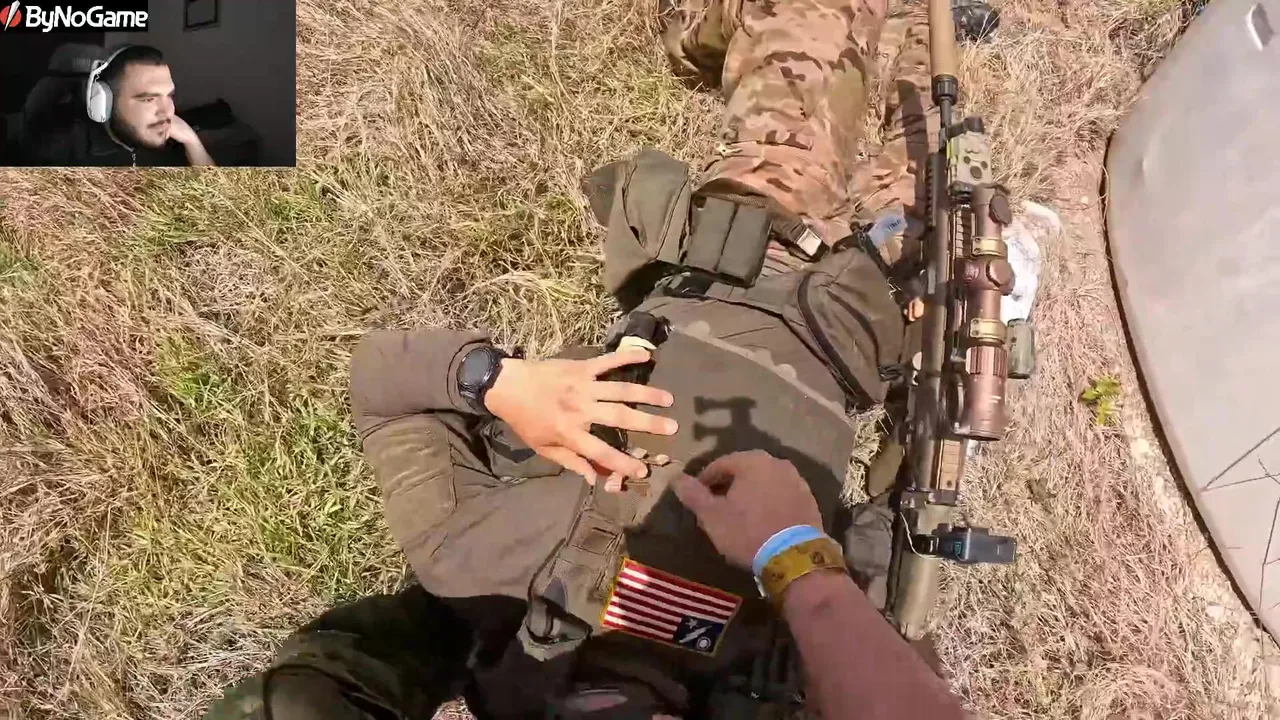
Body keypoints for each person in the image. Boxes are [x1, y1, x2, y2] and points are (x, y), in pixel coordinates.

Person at [206, 0, 966, 717]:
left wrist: (501, 384)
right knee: (941, 110)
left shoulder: (471, 564)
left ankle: (699, 28)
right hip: (864, 326)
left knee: (816, 22)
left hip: (744, 249)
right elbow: (889, 581)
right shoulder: (763, 691)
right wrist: (813, 556)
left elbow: (380, 378)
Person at [23, 45, 215, 167]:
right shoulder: (63, 150)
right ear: (103, 102)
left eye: (169, 96)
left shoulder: (171, 137)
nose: (168, 112)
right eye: (148, 99)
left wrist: (192, 141)